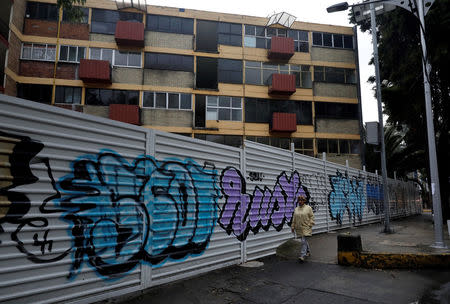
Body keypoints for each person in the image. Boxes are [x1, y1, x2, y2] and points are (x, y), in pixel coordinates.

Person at [291, 195, 315, 262]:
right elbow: (294, 218)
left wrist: (310, 224)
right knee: (304, 240)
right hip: (299, 227)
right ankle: (308, 251)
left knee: (303, 241)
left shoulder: (308, 208)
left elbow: (312, 217)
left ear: (304, 201)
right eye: (299, 200)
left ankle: (302, 255)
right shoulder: (296, 209)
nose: (300, 201)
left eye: (302, 200)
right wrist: (293, 226)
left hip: (306, 227)